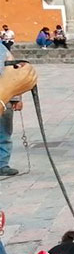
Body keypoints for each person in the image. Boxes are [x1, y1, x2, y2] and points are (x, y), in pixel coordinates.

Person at [0, 44, 22, 177]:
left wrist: (16, 98)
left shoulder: (2, 49)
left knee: (4, 133)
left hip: (4, 98)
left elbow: (13, 73)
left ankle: (2, 164)